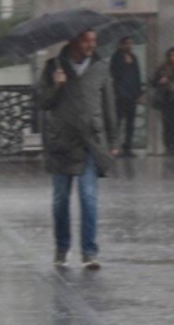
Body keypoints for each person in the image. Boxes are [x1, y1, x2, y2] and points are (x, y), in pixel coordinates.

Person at [39, 30, 118, 270]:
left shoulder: (100, 67)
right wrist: (56, 86)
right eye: (86, 40)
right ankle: (62, 247)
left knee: (89, 197)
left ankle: (89, 251)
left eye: (94, 40)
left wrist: (113, 140)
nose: (91, 45)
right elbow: (43, 102)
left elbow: (108, 105)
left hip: (90, 141)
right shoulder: (53, 66)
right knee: (60, 199)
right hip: (62, 141)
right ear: (73, 41)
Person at [109, 36, 144, 157]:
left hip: (132, 94)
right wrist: (124, 64)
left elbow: (137, 75)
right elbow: (114, 74)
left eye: (131, 43)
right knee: (117, 122)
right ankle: (114, 148)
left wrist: (139, 93)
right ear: (121, 45)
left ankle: (127, 148)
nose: (130, 46)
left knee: (131, 122)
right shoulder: (116, 57)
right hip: (120, 95)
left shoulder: (134, 57)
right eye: (127, 44)